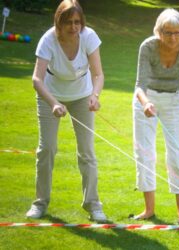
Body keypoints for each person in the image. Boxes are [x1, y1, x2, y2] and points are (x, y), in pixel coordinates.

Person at [26, 0, 107, 222]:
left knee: (87, 151)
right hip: (50, 95)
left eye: (77, 22)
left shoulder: (89, 37)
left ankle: (93, 205)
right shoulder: (48, 40)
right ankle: (40, 203)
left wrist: (95, 96)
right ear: (59, 23)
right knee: (47, 149)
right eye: (68, 22)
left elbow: (98, 74)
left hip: (82, 96)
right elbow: (36, 79)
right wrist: (53, 103)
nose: (74, 27)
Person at [132, 8, 179, 226]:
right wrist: (146, 103)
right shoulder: (147, 46)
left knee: (178, 156)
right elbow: (139, 85)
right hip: (147, 99)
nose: (172, 37)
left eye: (177, 32)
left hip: (174, 100)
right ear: (158, 31)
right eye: (167, 32)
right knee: (144, 154)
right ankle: (149, 209)